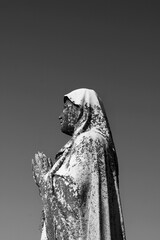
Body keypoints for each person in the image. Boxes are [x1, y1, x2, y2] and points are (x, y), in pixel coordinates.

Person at [32, 88, 126, 240]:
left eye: (66, 108)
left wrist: (44, 177)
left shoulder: (88, 140)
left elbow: (74, 192)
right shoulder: (94, 141)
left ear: (82, 109)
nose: (60, 116)